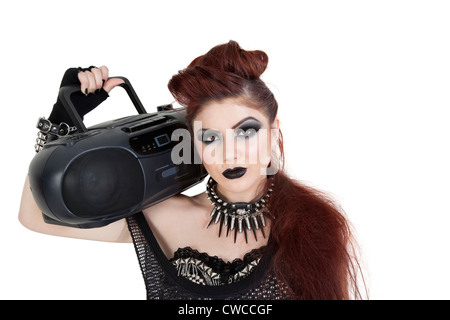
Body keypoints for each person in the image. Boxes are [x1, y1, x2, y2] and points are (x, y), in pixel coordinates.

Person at [19, 40, 364, 299]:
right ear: (193, 143)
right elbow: (34, 216)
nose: (230, 153)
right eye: (210, 137)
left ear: (274, 132)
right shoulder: (162, 215)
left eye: (246, 131)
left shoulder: (315, 222)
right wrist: (60, 127)